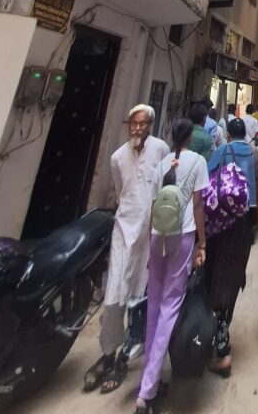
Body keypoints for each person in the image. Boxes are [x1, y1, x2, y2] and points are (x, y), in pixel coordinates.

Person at [84, 105, 168, 394]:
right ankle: (107, 352)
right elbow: (121, 192)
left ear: (151, 125)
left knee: (140, 295)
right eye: (133, 123)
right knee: (114, 294)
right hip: (124, 231)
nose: (137, 128)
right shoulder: (117, 158)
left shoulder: (160, 149)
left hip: (150, 233)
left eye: (142, 123)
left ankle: (124, 357)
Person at [135, 119, 208, 414]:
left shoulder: (162, 163)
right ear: (190, 137)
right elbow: (199, 206)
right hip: (182, 237)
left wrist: (149, 249)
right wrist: (202, 243)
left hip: (157, 238)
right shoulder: (198, 161)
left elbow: (153, 208)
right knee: (169, 307)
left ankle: (145, 381)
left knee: (154, 306)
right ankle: (148, 390)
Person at [205, 117, 258, 376]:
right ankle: (223, 331)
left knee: (215, 272)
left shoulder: (222, 150)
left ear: (228, 134)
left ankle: (217, 337)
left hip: (221, 221)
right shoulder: (253, 152)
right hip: (244, 223)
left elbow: (206, 176)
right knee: (234, 274)